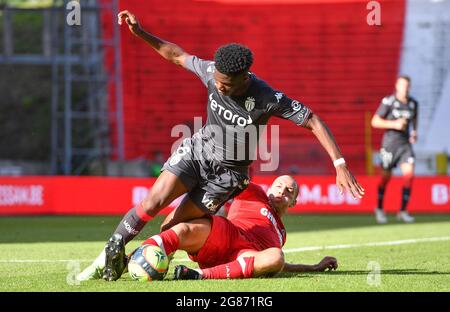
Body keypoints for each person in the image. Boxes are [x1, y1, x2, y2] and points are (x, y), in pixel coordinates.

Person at [77, 10, 363, 282]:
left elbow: (311, 119)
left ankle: (129, 262)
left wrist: (340, 164)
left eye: (225, 84)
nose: (219, 86)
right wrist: (141, 33)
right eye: (217, 81)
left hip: (228, 175)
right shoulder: (213, 71)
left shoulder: (266, 97)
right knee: (153, 201)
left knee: (171, 227)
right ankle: (107, 254)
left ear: (243, 78)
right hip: (199, 151)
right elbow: (177, 55)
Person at [135, 175, 338, 280]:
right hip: (228, 234)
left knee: (276, 256)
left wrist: (314, 267)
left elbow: (273, 265)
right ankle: (137, 256)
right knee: (184, 228)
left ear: (293, 201)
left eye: (288, 191)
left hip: (243, 256)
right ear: (269, 188)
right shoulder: (255, 192)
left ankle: (198, 275)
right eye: (278, 186)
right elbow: (234, 179)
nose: (281, 191)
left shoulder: (281, 234)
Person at [371, 76, 418, 224]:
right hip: (390, 144)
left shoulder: (413, 103)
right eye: (402, 85)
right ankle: (379, 208)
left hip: (405, 145)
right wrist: (394, 124)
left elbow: (415, 120)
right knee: (385, 178)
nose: (405, 88)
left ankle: (403, 211)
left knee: (409, 175)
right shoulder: (389, 102)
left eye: (407, 85)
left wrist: (414, 132)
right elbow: (375, 121)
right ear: (397, 86)